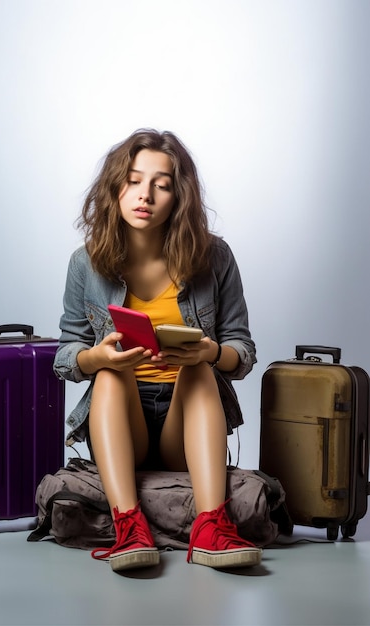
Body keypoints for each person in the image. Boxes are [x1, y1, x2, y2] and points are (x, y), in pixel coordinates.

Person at [54, 128, 262, 572]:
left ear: (178, 196)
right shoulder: (85, 262)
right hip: (120, 422)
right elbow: (66, 354)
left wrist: (208, 352)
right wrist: (98, 358)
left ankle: (211, 527)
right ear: (115, 187)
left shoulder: (215, 257)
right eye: (132, 180)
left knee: (200, 370)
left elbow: (242, 351)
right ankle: (129, 528)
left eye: (161, 184)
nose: (144, 194)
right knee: (109, 374)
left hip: (183, 425)